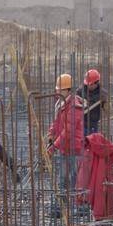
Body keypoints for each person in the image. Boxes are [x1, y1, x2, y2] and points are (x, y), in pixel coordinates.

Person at [48, 74, 85, 218]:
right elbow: (57, 123)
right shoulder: (61, 104)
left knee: (76, 179)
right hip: (64, 148)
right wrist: (51, 133)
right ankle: (60, 208)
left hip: (75, 148)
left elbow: (68, 131)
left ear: (68, 90)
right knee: (63, 179)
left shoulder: (75, 106)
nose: (57, 93)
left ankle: (82, 208)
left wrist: (54, 147)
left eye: (60, 90)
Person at [76, 69, 108, 136]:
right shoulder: (80, 91)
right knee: (81, 143)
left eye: (90, 84)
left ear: (96, 83)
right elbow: (75, 105)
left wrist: (105, 102)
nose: (88, 86)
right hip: (81, 123)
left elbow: (107, 110)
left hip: (93, 124)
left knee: (91, 143)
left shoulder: (102, 93)